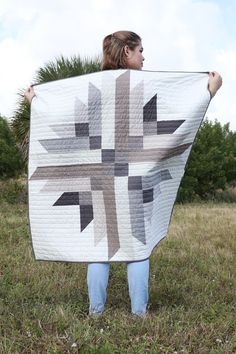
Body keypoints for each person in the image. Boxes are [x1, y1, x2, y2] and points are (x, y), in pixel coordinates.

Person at [25, 30, 222, 317]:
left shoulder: (93, 86)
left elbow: (65, 121)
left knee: (98, 247)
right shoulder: (147, 83)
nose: (144, 56)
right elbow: (175, 114)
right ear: (127, 52)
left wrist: (36, 102)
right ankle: (139, 314)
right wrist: (208, 91)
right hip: (134, 182)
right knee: (137, 244)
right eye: (141, 50)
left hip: (99, 181)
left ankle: (96, 312)